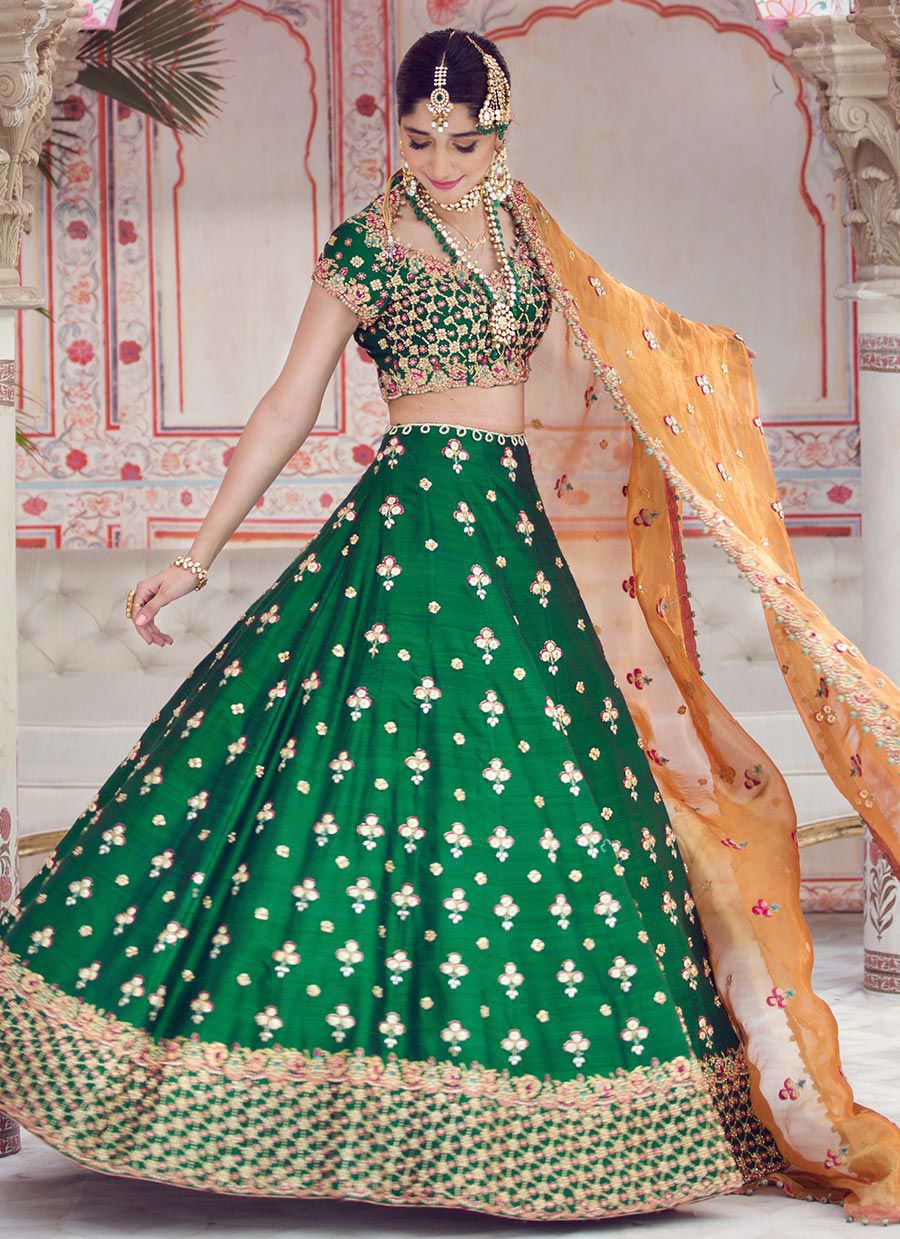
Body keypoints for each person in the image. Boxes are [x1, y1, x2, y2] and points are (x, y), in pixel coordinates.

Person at [1, 26, 898, 1225]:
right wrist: (196, 554)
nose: (438, 161)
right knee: (353, 794)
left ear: (500, 131)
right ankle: (330, 1108)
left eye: (463, 142)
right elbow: (286, 403)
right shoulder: (368, 242)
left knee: (555, 800)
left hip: (513, 548)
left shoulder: (528, 234)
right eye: (419, 139)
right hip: (410, 537)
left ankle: (562, 1124)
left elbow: (621, 353)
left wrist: (711, 380)